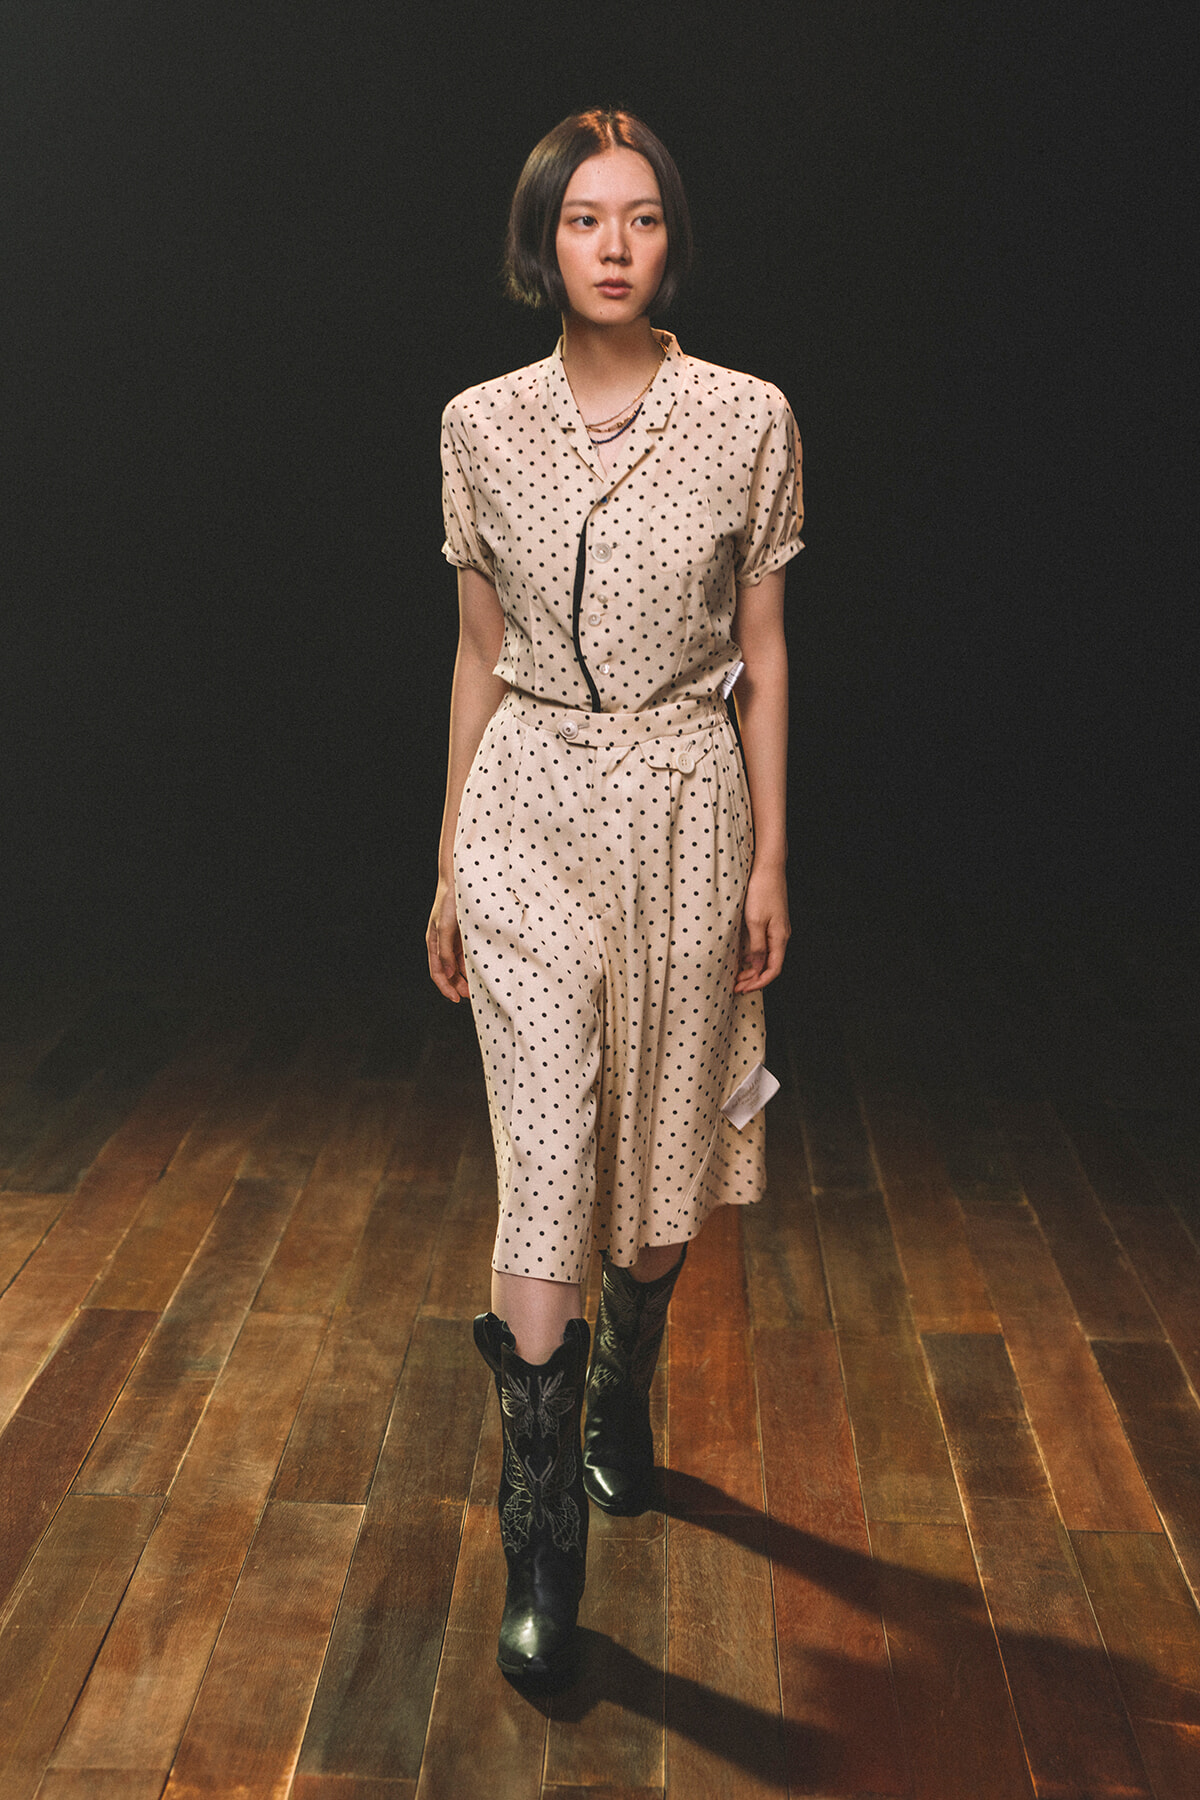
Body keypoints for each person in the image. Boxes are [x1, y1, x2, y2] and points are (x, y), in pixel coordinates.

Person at [427, 108, 802, 1687]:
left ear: (671, 241)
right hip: (527, 799)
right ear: (543, 241)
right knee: (543, 1152)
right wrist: (447, 855)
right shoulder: (476, 424)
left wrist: (775, 858)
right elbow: (472, 647)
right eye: (585, 219)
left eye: (640, 219)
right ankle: (540, 1545)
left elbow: (765, 658)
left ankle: (622, 1381)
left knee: (656, 1174)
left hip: (683, 801)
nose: (613, 245)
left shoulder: (748, 416)